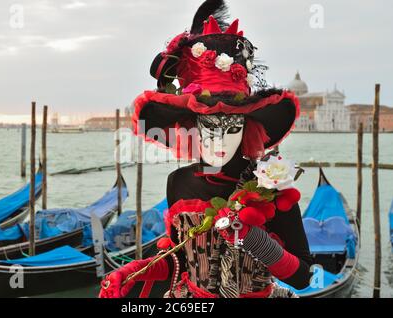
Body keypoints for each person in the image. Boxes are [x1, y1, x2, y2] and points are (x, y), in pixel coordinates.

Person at [99, 0, 311, 298]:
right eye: (209, 125)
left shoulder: (270, 185)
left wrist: (253, 239)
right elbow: (179, 264)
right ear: (193, 126)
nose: (219, 139)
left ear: (248, 127)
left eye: (232, 126)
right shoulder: (179, 183)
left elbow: (303, 276)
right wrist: (135, 271)